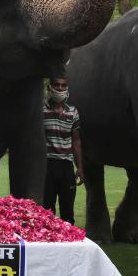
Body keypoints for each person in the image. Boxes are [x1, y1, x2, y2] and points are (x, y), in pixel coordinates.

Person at [43, 75, 84, 224]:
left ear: (67, 89)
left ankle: (69, 245)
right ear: (50, 88)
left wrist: (79, 167)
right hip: (47, 166)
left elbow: (76, 140)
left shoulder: (73, 112)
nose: (60, 88)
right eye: (56, 85)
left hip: (66, 166)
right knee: (47, 211)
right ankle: (48, 243)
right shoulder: (41, 110)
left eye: (63, 85)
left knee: (67, 210)